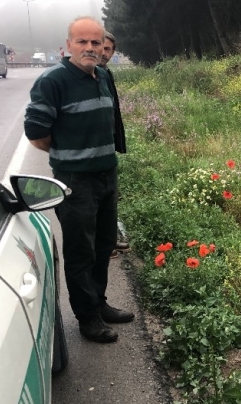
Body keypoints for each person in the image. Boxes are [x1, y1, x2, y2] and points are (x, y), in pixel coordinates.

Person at [24, 16, 134, 343]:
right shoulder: (53, 81)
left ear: (104, 47)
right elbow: (37, 134)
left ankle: (99, 303)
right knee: (80, 251)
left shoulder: (103, 76)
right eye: (82, 41)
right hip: (75, 181)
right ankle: (87, 319)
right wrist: (71, 155)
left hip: (106, 175)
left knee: (103, 245)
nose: (90, 48)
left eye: (96, 42)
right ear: (69, 44)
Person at [99, 30, 130, 259]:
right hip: (94, 149)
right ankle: (102, 246)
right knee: (99, 200)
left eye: (108, 49)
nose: (104, 53)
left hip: (107, 144)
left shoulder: (106, 72)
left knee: (110, 197)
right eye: (101, 47)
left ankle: (109, 241)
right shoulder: (92, 73)